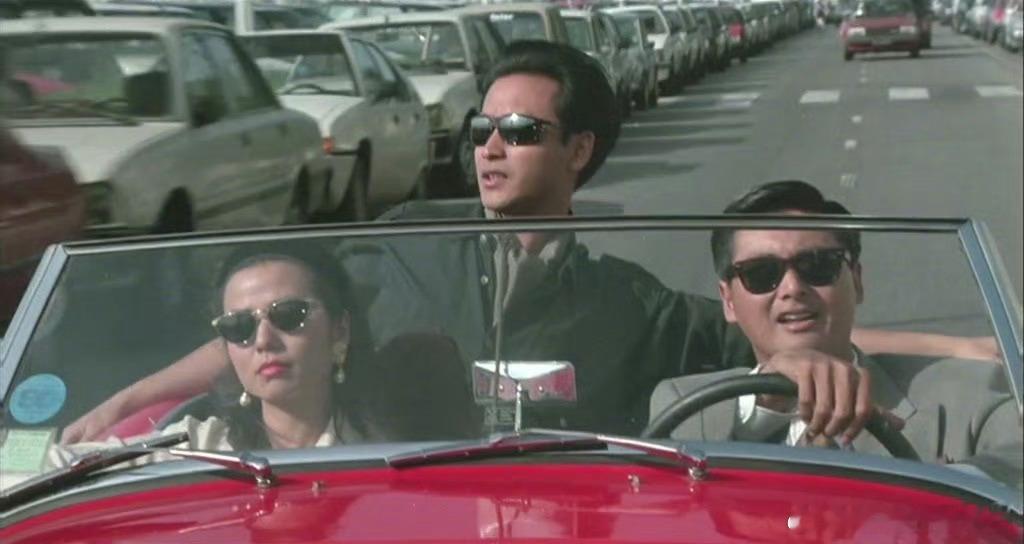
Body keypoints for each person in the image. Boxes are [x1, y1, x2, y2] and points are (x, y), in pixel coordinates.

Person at [61, 41, 999, 444]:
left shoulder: (633, 305)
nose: (490, 148)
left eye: (519, 132)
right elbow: (268, 320)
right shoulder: (403, 248)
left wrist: (962, 349)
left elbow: (774, 343)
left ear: (579, 150)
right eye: (482, 130)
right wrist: (132, 399)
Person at [649, 181, 1019, 478]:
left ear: (856, 280)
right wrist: (767, 401)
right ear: (728, 301)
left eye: (817, 265)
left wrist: (948, 483)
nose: (792, 288)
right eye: (761, 274)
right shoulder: (684, 405)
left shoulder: (965, 394)